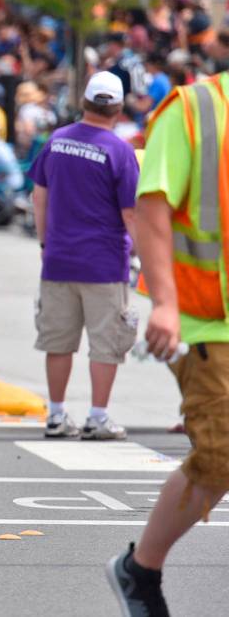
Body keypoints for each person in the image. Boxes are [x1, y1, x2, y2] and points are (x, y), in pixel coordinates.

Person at [106, 66, 229, 617]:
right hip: (208, 319)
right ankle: (141, 570)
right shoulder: (195, 108)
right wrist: (168, 303)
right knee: (223, 453)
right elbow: (152, 207)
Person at [29, 71, 139, 441]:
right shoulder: (119, 151)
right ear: (119, 108)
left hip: (58, 260)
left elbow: (38, 197)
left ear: (84, 103)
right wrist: (142, 255)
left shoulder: (56, 141)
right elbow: (130, 213)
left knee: (58, 342)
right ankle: (97, 416)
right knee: (105, 343)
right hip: (105, 264)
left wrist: (46, 244)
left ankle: (57, 414)